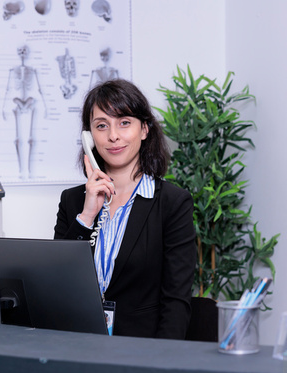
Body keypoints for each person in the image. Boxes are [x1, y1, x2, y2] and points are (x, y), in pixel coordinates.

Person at [54, 79, 196, 339]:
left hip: (140, 351)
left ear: (144, 129)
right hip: (77, 345)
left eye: (124, 122)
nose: (113, 136)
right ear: (89, 137)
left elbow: (176, 301)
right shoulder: (72, 202)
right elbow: (56, 285)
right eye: (101, 126)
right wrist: (86, 217)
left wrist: (159, 366)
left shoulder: (172, 204)